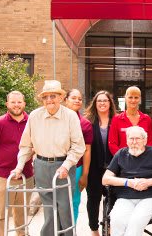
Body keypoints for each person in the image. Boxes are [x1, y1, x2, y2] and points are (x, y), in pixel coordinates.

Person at [12, 80, 86, 236]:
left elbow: (79, 146)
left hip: (63, 165)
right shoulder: (35, 116)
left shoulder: (70, 116)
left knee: (64, 208)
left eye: (53, 96)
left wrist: (66, 165)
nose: (49, 100)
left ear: (60, 97)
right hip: (41, 166)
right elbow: (25, 146)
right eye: (45, 97)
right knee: (49, 209)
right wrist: (19, 166)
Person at [0, 91, 34, 236]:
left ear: (24, 103)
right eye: (13, 102)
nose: (16, 105)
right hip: (3, 177)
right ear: (7, 104)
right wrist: (0, 156)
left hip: (26, 175)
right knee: (0, 214)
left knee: (22, 212)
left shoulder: (32, 122)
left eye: (19, 102)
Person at [102, 126, 152, 236]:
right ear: (127, 140)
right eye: (131, 138)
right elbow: (105, 179)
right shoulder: (121, 154)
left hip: (149, 197)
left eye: (137, 138)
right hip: (125, 197)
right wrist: (128, 182)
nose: (134, 142)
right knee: (116, 220)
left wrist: (149, 182)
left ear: (145, 140)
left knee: (136, 222)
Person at [84, 90, 117, 236]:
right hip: (94, 168)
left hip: (114, 168)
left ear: (110, 103)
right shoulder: (88, 122)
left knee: (113, 199)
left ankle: (110, 227)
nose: (102, 103)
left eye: (105, 100)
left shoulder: (116, 121)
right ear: (95, 104)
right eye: (99, 101)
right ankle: (94, 230)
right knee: (93, 199)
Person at [64, 89, 93, 223]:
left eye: (80, 99)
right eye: (73, 98)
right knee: (57, 203)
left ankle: (71, 230)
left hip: (77, 167)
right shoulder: (56, 119)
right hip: (55, 165)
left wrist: (85, 175)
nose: (77, 101)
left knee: (73, 201)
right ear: (65, 100)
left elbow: (87, 150)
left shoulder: (85, 124)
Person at [108, 86, 152, 155]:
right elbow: (112, 143)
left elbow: (150, 142)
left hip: (143, 161)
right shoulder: (117, 119)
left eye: (136, 97)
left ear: (140, 99)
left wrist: (145, 157)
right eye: (130, 97)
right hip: (123, 162)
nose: (133, 100)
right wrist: (122, 158)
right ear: (125, 98)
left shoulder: (147, 119)